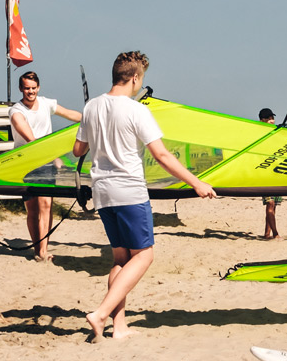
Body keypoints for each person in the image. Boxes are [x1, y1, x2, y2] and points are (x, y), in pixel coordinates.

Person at [74, 51, 216, 342]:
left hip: (102, 190)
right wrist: (196, 183)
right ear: (135, 77)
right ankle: (100, 314)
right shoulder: (137, 110)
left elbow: (78, 150)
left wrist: (97, 133)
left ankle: (119, 327)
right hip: (128, 190)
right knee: (144, 256)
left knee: (120, 258)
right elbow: (161, 154)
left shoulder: (92, 106)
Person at [8, 71, 82, 262]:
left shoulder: (47, 103)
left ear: (38, 88)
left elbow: (69, 114)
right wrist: (44, 150)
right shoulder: (16, 111)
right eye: (26, 88)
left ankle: (43, 249)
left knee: (46, 205)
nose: (30, 92)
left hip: (46, 162)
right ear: (20, 89)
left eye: (33, 88)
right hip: (26, 163)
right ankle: (37, 249)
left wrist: (89, 119)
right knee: (32, 209)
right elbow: (28, 136)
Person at [258, 108, 281, 240]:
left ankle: (267, 234)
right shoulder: (258, 133)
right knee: (270, 203)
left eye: (273, 118)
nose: (272, 121)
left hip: (276, 174)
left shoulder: (275, 133)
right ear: (263, 120)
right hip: (264, 175)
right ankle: (276, 233)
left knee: (274, 206)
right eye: (270, 119)